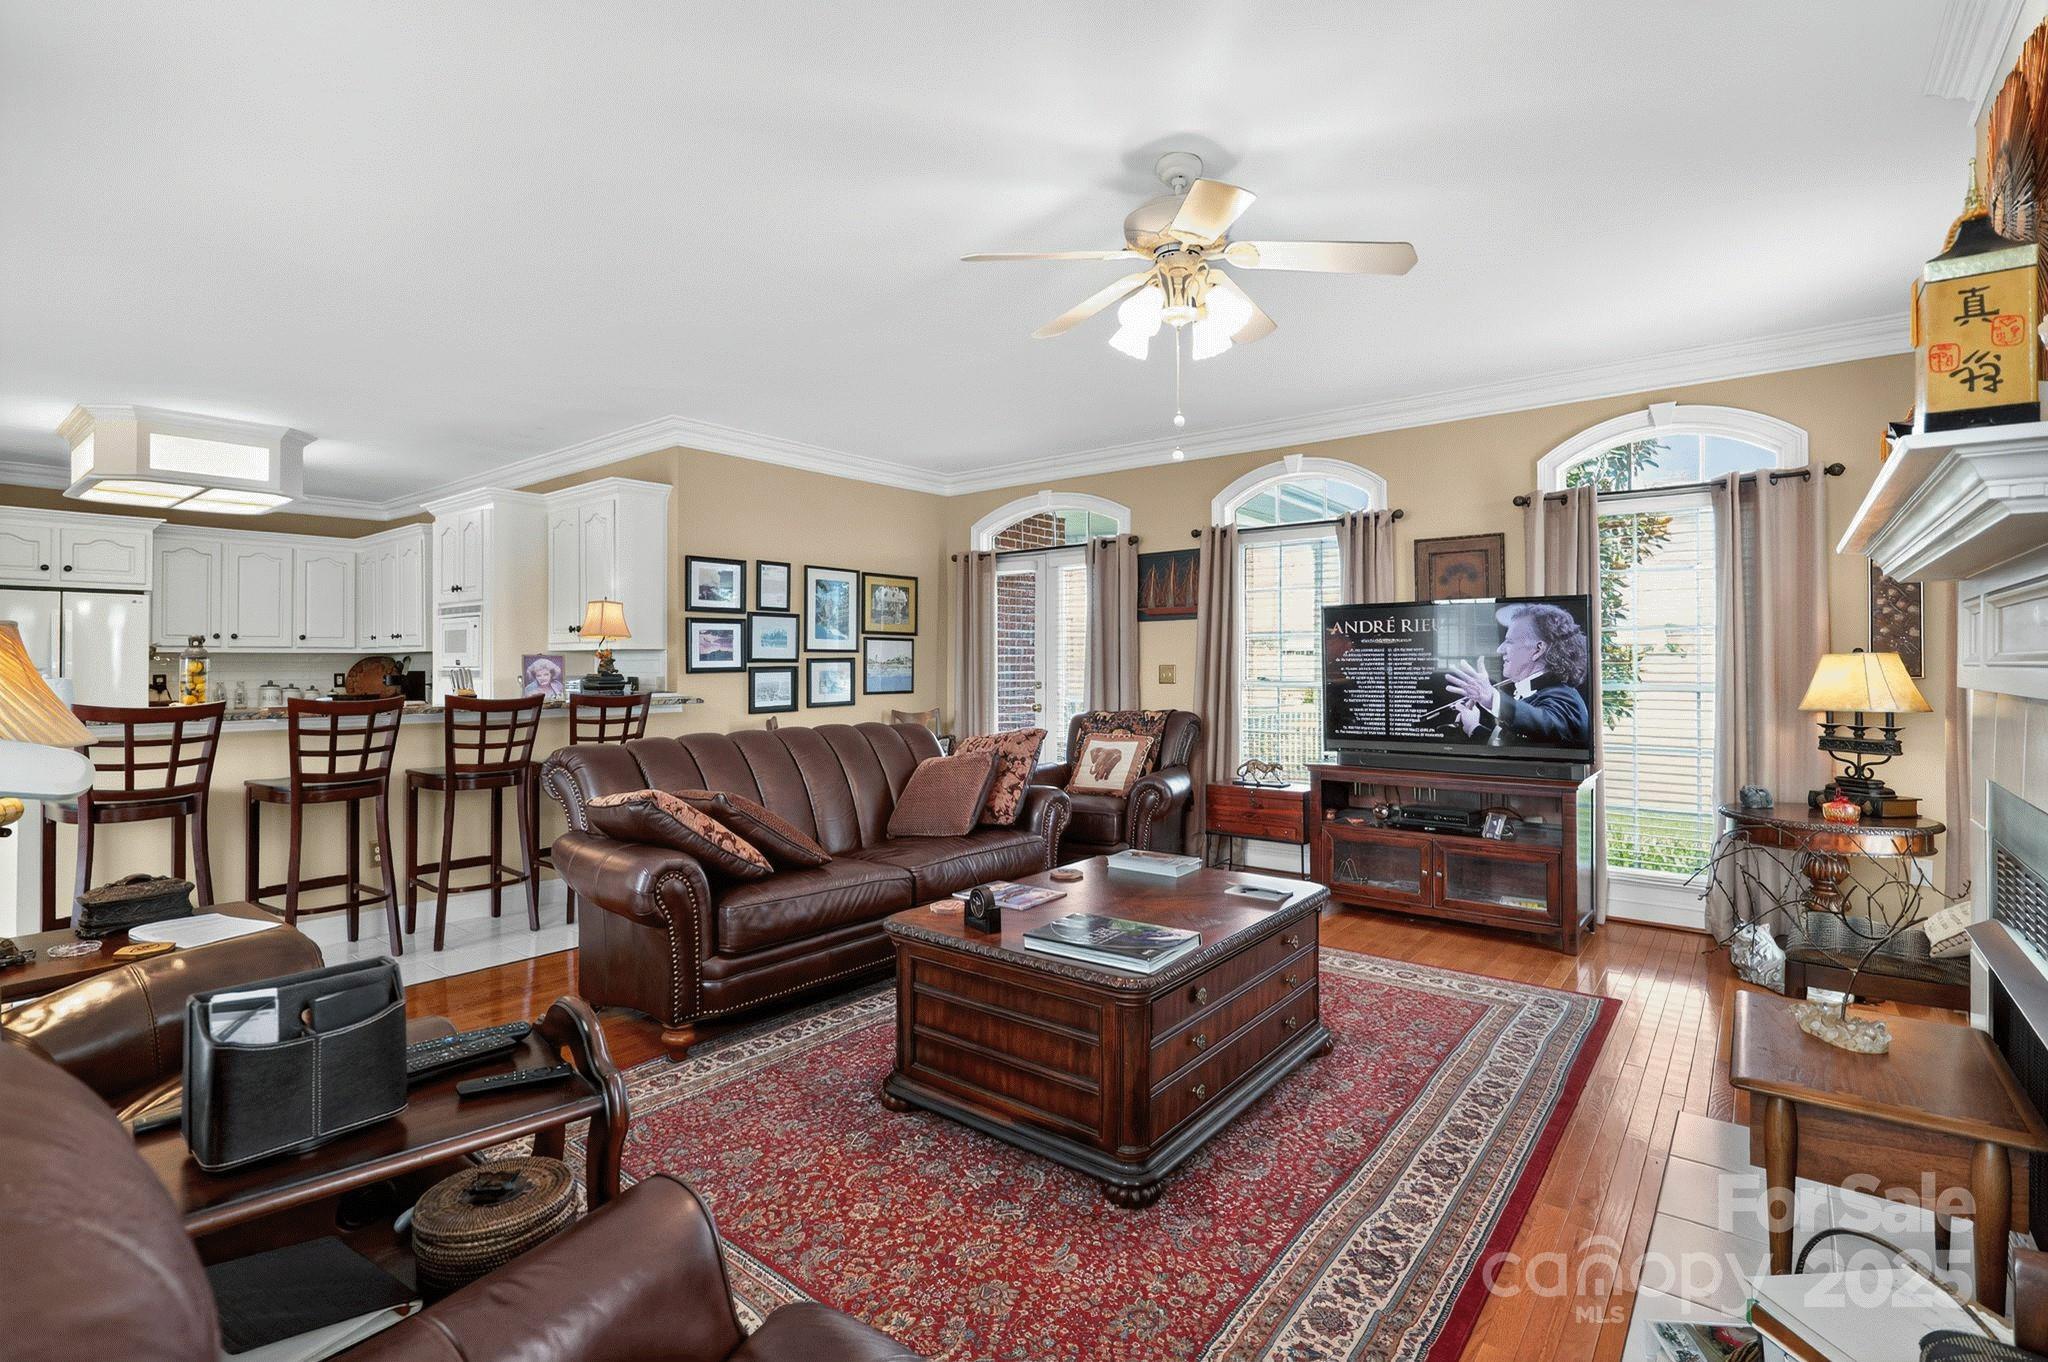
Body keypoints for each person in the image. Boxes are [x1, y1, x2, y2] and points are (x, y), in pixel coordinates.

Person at [1443, 603, 1591, 749]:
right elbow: (1519, 748)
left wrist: (1491, 698)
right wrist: (1473, 727)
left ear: (1538, 650)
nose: (1500, 649)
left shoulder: (1565, 699)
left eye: (1509, 641)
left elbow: (1545, 725)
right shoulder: (1538, 692)